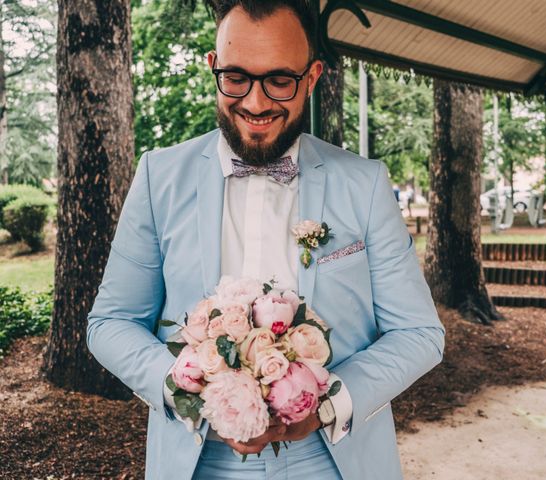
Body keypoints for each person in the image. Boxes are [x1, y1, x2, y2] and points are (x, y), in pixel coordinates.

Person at [86, 1, 444, 479]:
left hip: (333, 459)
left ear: (312, 77)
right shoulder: (158, 177)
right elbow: (110, 323)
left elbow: (419, 333)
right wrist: (189, 390)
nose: (256, 103)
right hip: (196, 461)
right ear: (214, 67)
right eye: (236, 78)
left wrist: (326, 402)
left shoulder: (365, 184)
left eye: (279, 80)